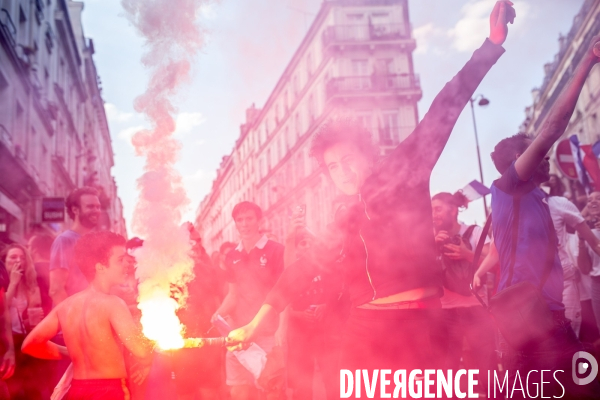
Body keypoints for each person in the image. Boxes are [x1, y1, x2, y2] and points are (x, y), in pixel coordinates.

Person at [227, 2, 515, 397]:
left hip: (421, 330)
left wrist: (491, 46)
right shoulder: (343, 219)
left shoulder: (403, 170)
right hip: (365, 337)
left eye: (349, 160)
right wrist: (255, 323)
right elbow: (301, 272)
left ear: (367, 155)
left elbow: (444, 108)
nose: (342, 171)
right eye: (332, 167)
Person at [486, 32, 600, 398]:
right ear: (519, 163)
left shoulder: (536, 197)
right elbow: (552, 129)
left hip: (550, 321)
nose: (545, 154)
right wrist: (588, 60)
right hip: (536, 328)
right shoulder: (507, 190)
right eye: (533, 151)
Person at [22, 231, 154, 400]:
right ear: (100, 267)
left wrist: (70, 351)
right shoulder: (113, 303)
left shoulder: (66, 306)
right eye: (120, 260)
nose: (126, 265)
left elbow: (30, 344)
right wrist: (147, 360)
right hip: (109, 391)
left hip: (76, 391)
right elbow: (141, 350)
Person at [212, 201, 285, 400]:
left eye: (249, 218)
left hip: (268, 333)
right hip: (238, 336)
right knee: (238, 390)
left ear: (259, 220)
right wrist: (218, 313)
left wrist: (281, 329)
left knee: (271, 391)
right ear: (235, 223)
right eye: (240, 220)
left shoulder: (276, 250)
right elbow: (233, 295)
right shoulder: (233, 256)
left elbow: (284, 293)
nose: (244, 224)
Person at [431, 191, 497, 397]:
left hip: (476, 309)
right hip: (444, 312)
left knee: (486, 370)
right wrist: (431, 247)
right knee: (445, 374)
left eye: (438, 209)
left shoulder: (475, 232)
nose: (433, 214)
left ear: (453, 210)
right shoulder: (430, 238)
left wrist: (467, 255)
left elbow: (493, 264)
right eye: (431, 210)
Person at [1, 244, 47, 399]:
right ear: (4, 261)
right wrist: (13, 283)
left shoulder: (28, 283)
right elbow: (2, 308)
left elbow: (22, 320)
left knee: (29, 387)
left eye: (22, 257)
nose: (18, 260)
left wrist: (30, 320)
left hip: (22, 340)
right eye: (13, 257)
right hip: (6, 342)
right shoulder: (4, 283)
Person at [49, 187, 102, 306]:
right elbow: (56, 290)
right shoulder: (64, 241)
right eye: (90, 206)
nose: (96, 210)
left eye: (98, 207)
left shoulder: (96, 242)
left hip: (94, 318)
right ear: (75, 210)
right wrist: (71, 322)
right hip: (74, 320)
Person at [577, 191, 600, 343]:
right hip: (596, 284)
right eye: (589, 200)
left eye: (598, 198)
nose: (592, 202)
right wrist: (581, 241)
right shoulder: (588, 232)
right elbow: (584, 269)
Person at [28, 234, 54, 315]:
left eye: (28, 246)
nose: (26, 249)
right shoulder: (57, 270)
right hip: (56, 315)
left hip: (37, 318)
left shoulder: (30, 271)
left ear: (34, 250)